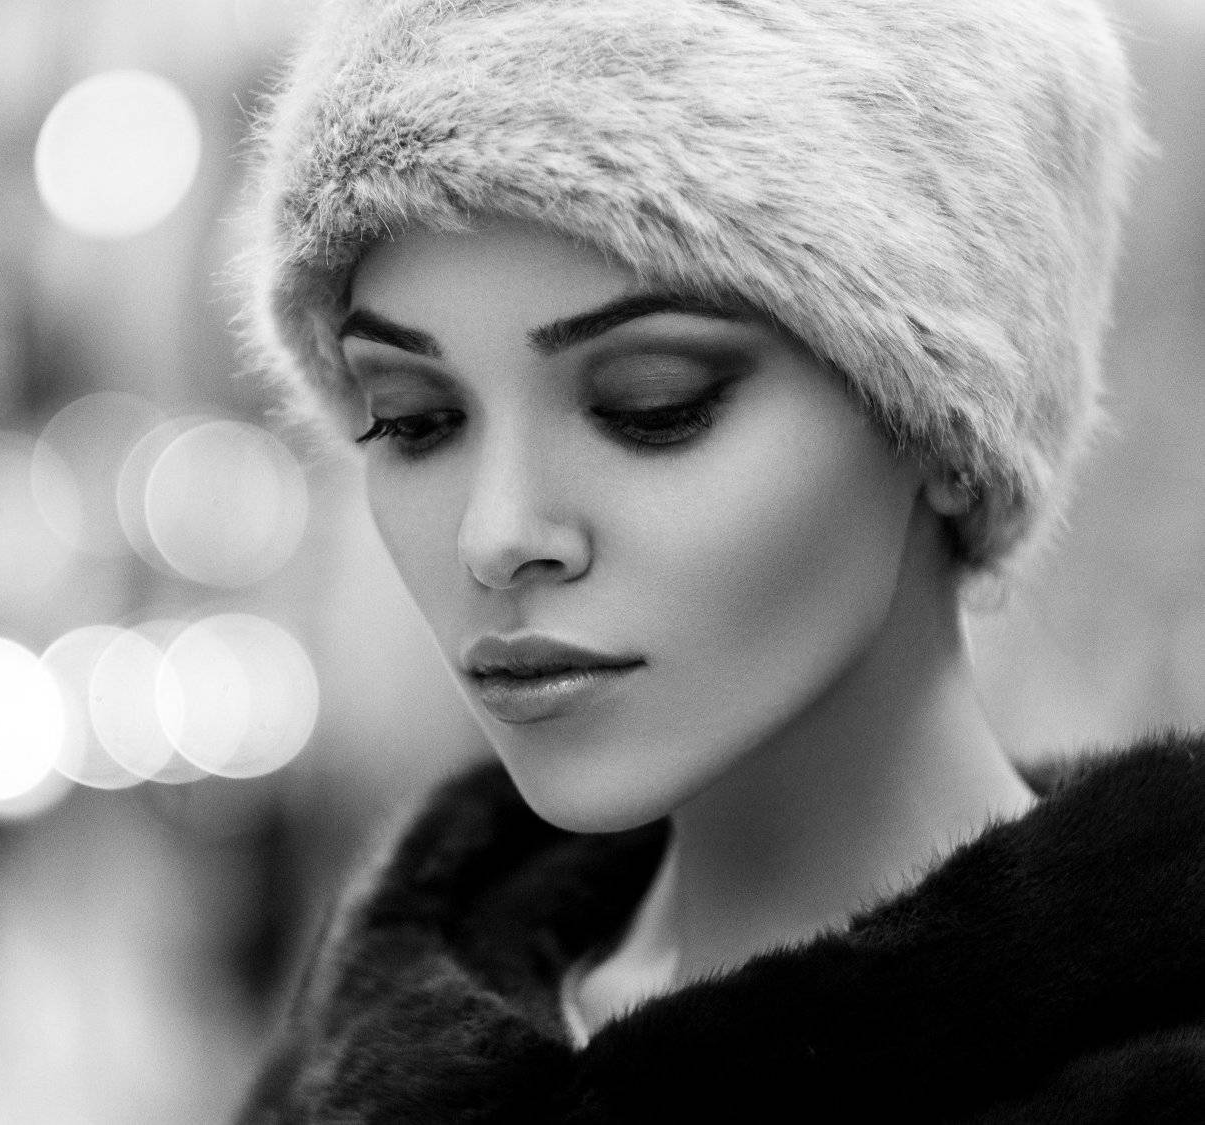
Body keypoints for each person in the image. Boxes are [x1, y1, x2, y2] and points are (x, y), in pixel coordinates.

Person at [232, 0, 1205, 1119]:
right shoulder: (358, 1043)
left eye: (655, 406)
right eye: (413, 419)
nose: (496, 536)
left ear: (943, 427)